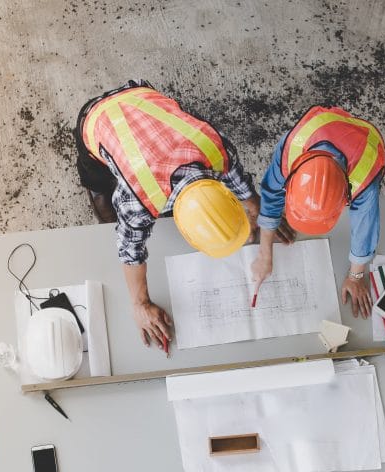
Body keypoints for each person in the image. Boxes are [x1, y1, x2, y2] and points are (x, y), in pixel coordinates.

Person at [74, 81, 293, 353]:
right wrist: (139, 304)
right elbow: (130, 252)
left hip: (142, 96)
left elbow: (236, 176)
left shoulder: (215, 147)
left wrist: (258, 211)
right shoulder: (138, 199)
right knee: (98, 180)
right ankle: (97, 187)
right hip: (98, 119)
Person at [251, 105, 385, 319]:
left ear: (345, 198)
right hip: (321, 127)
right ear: (292, 179)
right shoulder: (291, 149)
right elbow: (271, 192)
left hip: (360, 139)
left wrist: (356, 275)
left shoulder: (365, 175)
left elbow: (365, 227)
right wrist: (264, 251)